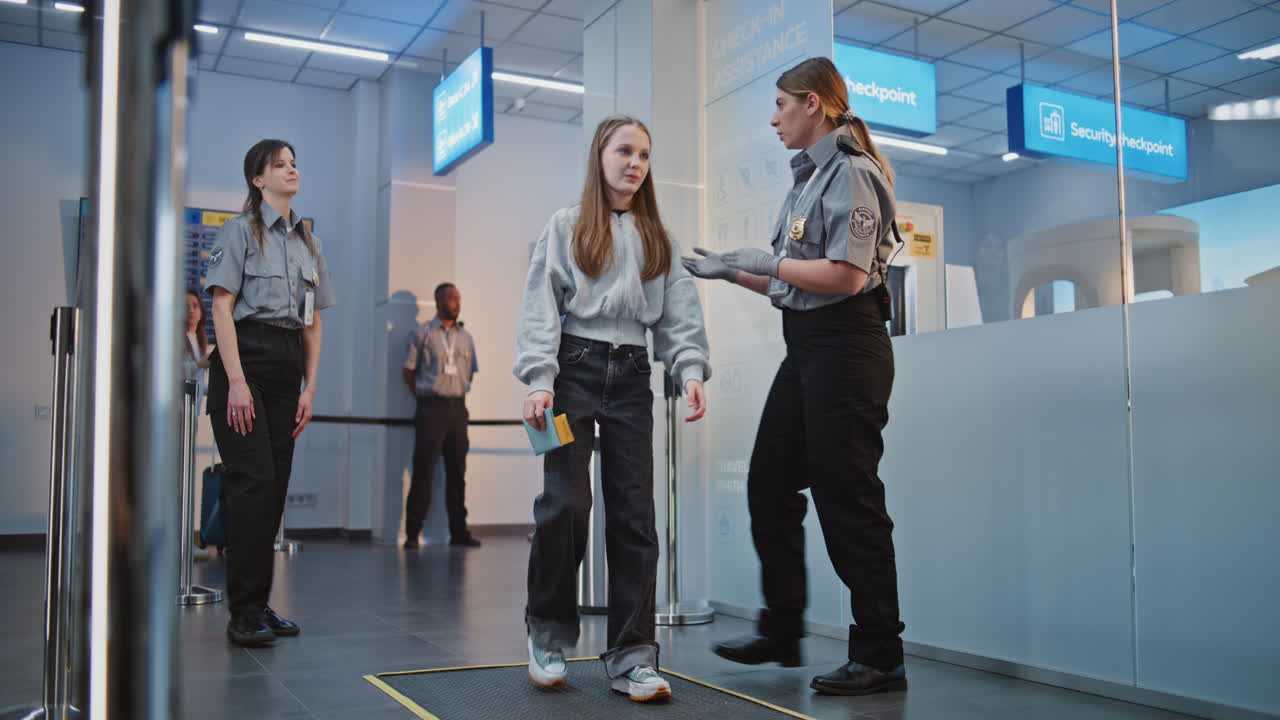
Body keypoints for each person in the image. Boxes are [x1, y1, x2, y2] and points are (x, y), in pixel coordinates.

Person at [683, 57, 908, 696]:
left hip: (848, 347)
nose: (774, 117)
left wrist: (771, 264)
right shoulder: (805, 181)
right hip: (807, 346)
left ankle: (880, 653)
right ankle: (782, 628)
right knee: (768, 484)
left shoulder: (854, 174)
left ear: (813, 104)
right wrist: (735, 271)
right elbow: (793, 281)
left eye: (781, 104)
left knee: (848, 499)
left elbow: (846, 276)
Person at [515, 115, 710, 702]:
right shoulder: (566, 225)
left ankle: (633, 657)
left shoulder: (659, 237)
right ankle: (547, 637)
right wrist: (536, 379)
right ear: (600, 156)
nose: (635, 163)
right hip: (567, 377)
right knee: (564, 504)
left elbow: (680, 312)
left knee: (633, 516)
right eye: (625, 151)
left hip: (631, 378)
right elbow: (540, 306)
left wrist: (691, 368)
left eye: (645, 155)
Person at [205, 139, 336, 647]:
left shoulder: (309, 244)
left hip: (287, 370)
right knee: (253, 483)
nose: (291, 169)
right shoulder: (237, 232)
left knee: (274, 489)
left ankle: (258, 604)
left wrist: (311, 387)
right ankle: (242, 615)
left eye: (294, 163)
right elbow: (221, 308)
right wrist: (236, 381)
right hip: (246, 364)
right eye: (280, 165)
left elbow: (313, 324)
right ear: (258, 179)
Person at [401, 282, 481, 549]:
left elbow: (469, 373)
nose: (456, 302)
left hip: (458, 410)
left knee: (458, 474)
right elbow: (409, 372)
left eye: (458, 298)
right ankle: (413, 534)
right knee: (423, 472)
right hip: (430, 410)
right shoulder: (422, 333)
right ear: (438, 301)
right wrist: (425, 398)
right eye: (451, 298)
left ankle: (459, 533)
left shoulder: (466, 337)